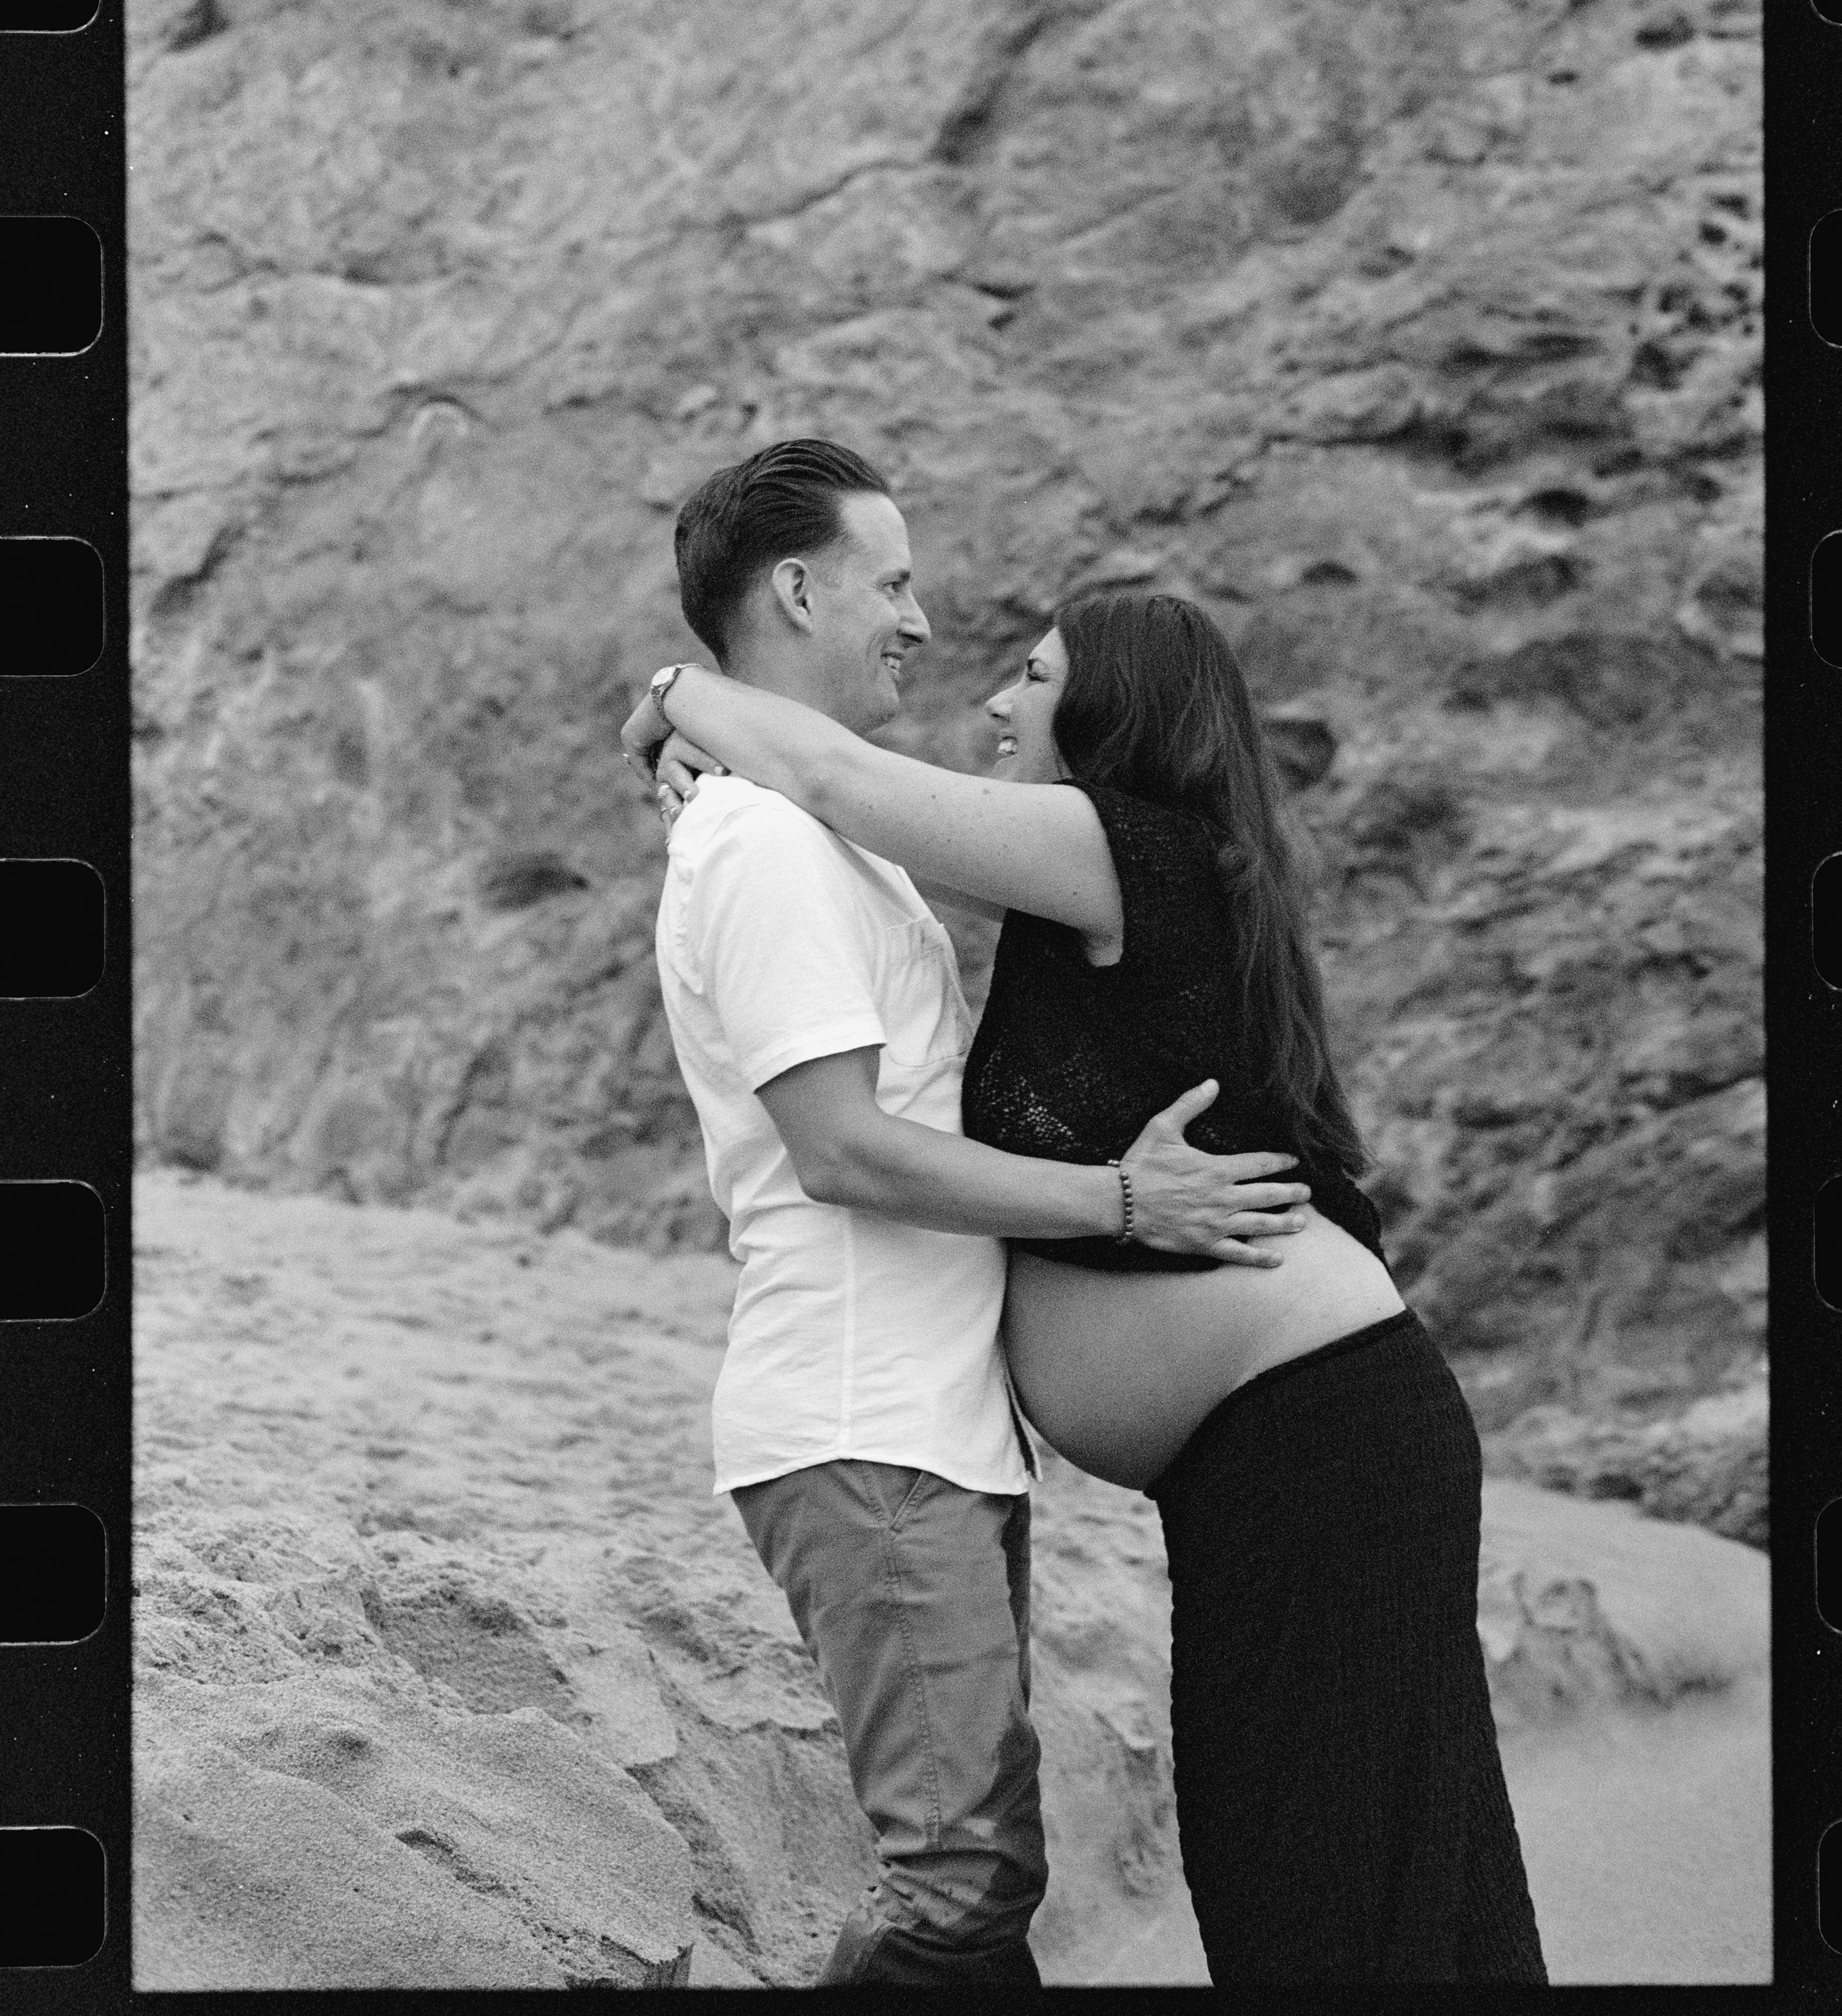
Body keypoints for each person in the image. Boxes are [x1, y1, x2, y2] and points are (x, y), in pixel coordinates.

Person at [628, 536, 1550, 1986]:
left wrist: (678, 688)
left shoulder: (1121, 847)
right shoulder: (1125, 873)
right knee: (1336, 1868)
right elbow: (817, 796)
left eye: (1036, 674)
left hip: (1320, 1441)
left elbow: (843, 783)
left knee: (1339, 1879)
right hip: (1294, 1451)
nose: (997, 698)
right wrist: (691, 729)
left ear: (1115, 714)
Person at [636, 439, 1311, 1990]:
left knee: (968, 1877)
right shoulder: (765, 844)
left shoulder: (815, 826)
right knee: (959, 1897)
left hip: (926, 1429)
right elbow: (847, 1153)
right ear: (795, 588)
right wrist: (1125, 1198)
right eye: (893, 580)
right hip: (864, 1421)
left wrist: (668, 702)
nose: (922, 621)